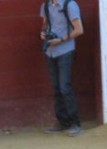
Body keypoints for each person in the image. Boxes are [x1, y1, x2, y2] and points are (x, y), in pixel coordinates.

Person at [40, 0, 84, 137]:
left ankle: (75, 123)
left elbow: (79, 30)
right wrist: (43, 33)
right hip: (51, 51)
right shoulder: (46, 5)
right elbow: (45, 25)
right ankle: (63, 122)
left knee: (64, 87)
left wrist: (61, 40)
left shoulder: (70, 5)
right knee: (57, 87)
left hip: (65, 50)